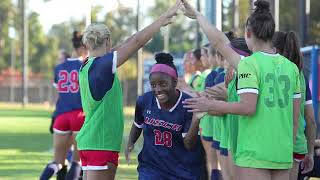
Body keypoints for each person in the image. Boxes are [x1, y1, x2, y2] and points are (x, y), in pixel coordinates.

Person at [182, 1, 301, 180]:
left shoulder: (248, 65)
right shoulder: (291, 68)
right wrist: (287, 149)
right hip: (282, 152)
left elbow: (247, 107)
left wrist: (210, 104)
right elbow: (294, 119)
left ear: (247, 33)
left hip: (256, 151)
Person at [76, 1, 182, 179]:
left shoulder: (87, 64)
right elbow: (136, 42)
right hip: (101, 142)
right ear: (108, 41)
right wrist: (161, 20)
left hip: (90, 141)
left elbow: (127, 44)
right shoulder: (103, 66)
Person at [125, 52, 204, 180]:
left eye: (163, 84)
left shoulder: (188, 105)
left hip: (182, 170)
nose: (158, 90)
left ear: (175, 82)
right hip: (151, 168)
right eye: (153, 85)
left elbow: (189, 144)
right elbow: (137, 124)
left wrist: (196, 120)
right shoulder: (144, 101)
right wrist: (130, 143)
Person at [40, 31, 88, 180]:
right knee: (76, 162)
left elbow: (60, 93)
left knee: (57, 162)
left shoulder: (59, 67)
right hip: (79, 115)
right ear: (83, 48)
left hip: (61, 116)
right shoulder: (85, 66)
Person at [272, 31, 317, 180]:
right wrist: (310, 153)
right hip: (296, 145)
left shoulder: (268, 74)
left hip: (273, 143)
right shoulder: (300, 76)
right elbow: (310, 120)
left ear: (274, 49)